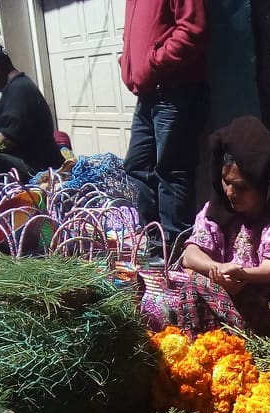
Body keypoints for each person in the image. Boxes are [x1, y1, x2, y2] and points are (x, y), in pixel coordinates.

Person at [177, 116, 270, 336]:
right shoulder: (216, 209)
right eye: (226, 182)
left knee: (203, 286)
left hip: (269, 295)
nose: (230, 193)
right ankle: (201, 350)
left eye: (241, 187)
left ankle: (246, 340)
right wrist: (219, 269)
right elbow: (190, 255)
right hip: (227, 283)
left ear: (263, 186)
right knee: (192, 283)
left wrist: (242, 276)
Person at [121, 0, 207, 248]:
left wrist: (153, 62)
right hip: (147, 93)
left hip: (175, 89)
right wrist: (128, 64)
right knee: (136, 167)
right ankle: (155, 244)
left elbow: (193, 29)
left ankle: (176, 251)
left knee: (172, 170)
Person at [0, 40, 63, 178]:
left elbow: (7, 140)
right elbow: (10, 133)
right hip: (31, 162)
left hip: (37, 168)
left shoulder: (18, 90)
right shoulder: (14, 89)